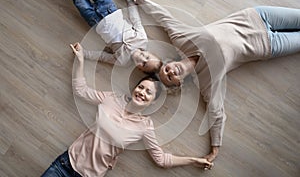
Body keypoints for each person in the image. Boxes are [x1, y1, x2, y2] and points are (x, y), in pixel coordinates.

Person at [120, 0, 300, 163]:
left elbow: (163, 17)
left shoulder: (182, 38)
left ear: (169, 61)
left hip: (256, 17)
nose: (170, 71)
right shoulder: (207, 79)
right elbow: (216, 112)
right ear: (179, 83)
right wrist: (215, 148)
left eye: (166, 69)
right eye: (170, 77)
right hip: (269, 46)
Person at [41, 42, 213, 177]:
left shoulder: (144, 126)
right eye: (141, 87)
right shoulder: (112, 99)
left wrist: (193, 160)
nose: (142, 93)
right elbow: (81, 91)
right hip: (65, 164)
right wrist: (80, 60)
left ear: (153, 101)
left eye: (148, 92)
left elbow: (161, 159)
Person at [50, 0, 162, 73]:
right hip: (109, 8)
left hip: (94, 19)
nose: (142, 59)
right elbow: (135, 19)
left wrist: (83, 53)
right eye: (147, 57)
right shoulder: (142, 39)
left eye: (143, 64)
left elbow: (102, 57)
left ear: (139, 69)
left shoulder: (122, 61)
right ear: (149, 52)